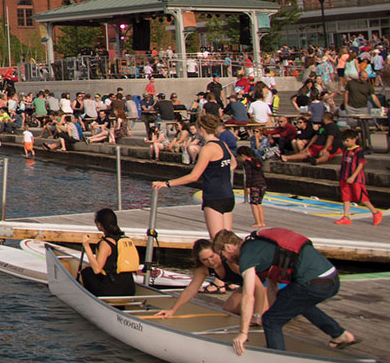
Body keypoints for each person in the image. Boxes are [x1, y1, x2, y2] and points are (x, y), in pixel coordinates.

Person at [214, 229, 358, 354]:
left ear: (228, 247)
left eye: (222, 255)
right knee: (291, 301)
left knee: (270, 320)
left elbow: (248, 296)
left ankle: (277, 357)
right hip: (332, 279)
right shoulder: (260, 246)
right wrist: (278, 314)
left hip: (314, 283)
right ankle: (340, 335)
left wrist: (242, 333)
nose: (224, 260)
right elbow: (272, 287)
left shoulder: (247, 255)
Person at [154, 113, 235, 239]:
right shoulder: (223, 144)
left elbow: (194, 176)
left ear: (202, 129)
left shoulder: (207, 149)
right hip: (228, 195)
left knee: (217, 241)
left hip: (214, 196)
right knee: (227, 241)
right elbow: (233, 164)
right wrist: (219, 171)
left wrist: (167, 183)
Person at [152, 239, 268, 319]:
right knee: (228, 309)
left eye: (212, 257)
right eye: (205, 260)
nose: (210, 262)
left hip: (264, 284)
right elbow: (191, 290)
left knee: (262, 316)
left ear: (217, 252)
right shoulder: (203, 269)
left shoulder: (231, 263)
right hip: (247, 287)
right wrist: (173, 310)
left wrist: (257, 315)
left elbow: (259, 287)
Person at [79, 208, 136, 297]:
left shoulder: (106, 243)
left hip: (112, 291)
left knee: (86, 272)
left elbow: (97, 270)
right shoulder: (124, 239)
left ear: (100, 225)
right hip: (130, 289)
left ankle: (91, 300)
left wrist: (86, 246)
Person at [335, 130, 383, 226]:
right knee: (346, 197)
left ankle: (375, 212)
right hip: (344, 177)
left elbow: (361, 164)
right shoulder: (345, 149)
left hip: (356, 179)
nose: (345, 143)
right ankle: (346, 216)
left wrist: (353, 176)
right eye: (344, 141)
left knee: (361, 197)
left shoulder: (358, 151)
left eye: (347, 140)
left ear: (354, 139)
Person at [236, 146, 268, 228]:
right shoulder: (257, 160)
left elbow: (249, 175)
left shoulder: (247, 163)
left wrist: (247, 187)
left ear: (243, 155)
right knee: (259, 203)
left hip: (254, 184)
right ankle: (262, 222)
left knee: (254, 203)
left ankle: (258, 222)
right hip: (262, 184)